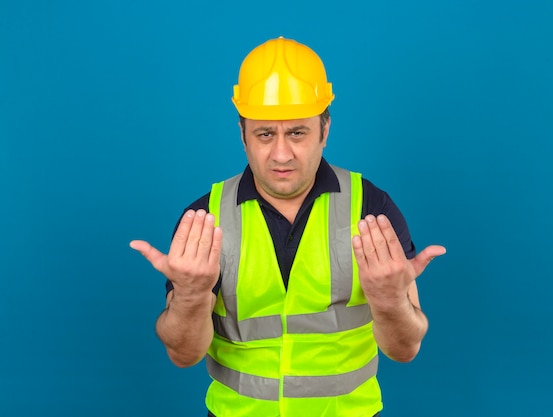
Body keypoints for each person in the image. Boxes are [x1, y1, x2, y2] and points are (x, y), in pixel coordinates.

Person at [130, 36, 446, 417]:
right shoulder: (205, 220)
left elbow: (405, 349)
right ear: (242, 134)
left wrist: (391, 301)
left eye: (297, 132)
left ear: (324, 131)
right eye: (265, 134)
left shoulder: (372, 210)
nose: (281, 154)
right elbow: (183, 355)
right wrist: (192, 296)